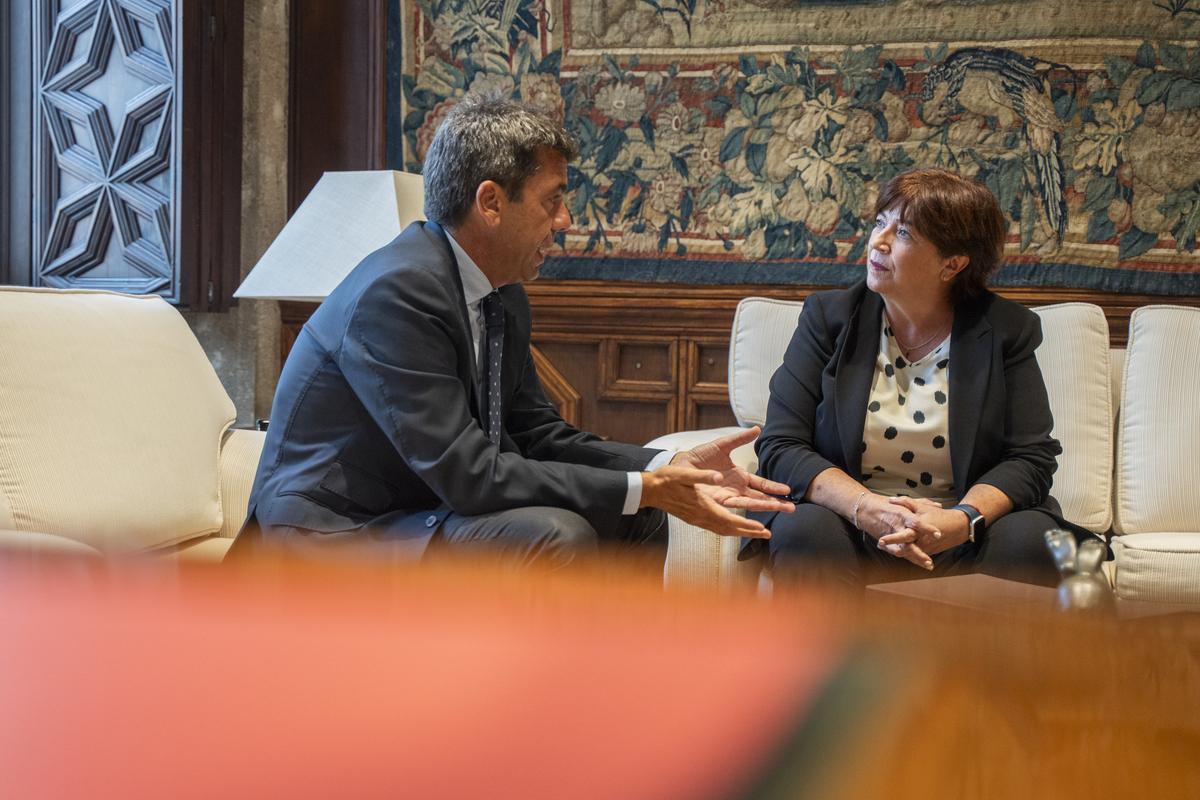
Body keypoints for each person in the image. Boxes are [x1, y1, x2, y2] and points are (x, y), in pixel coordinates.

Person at [227, 94, 793, 570]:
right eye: (554, 200)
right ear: (491, 203)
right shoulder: (397, 292)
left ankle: (607, 695)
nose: (566, 221)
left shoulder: (501, 293)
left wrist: (658, 469)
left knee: (635, 517)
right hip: (335, 532)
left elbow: (538, 434)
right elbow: (469, 474)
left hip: (418, 510)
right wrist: (644, 487)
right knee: (555, 535)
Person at [748, 167, 1090, 588]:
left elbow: (1030, 457)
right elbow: (781, 445)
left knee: (1032, 540)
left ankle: (977, 656)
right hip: (849, 524)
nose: (878, 241)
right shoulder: (828, 319)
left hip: (957, 532)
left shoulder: (1006, 330)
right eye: (880, 222)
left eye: (904, 233)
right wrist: (867, 509)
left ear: (952, 264)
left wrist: (960, 520)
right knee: (803, 528)